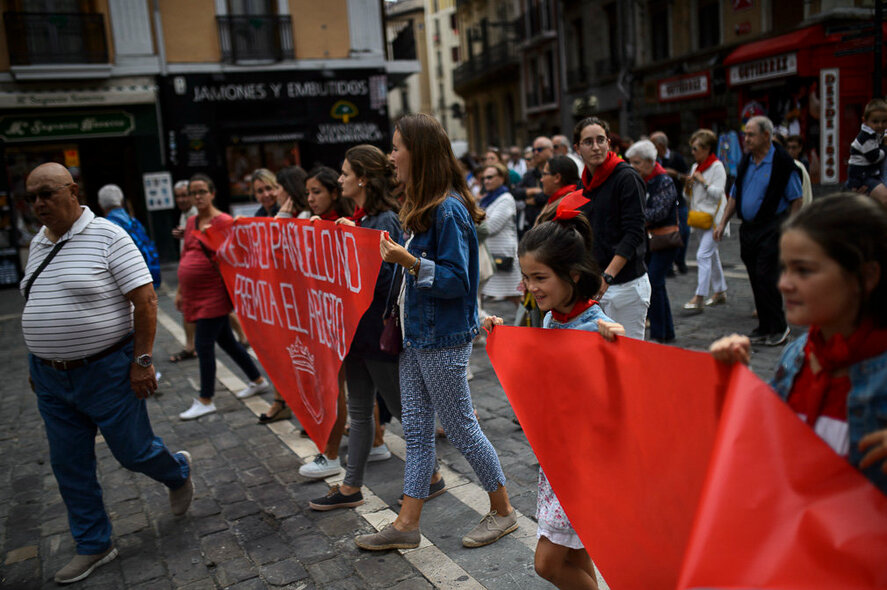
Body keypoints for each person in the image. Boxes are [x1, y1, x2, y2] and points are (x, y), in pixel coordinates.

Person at [21, 163, 193, 584]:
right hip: (50, 377)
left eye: (46, 193)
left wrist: (142, 362)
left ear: (72, 190)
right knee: (69, 463)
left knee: (133, 452)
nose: (38, 204)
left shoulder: (109, 236)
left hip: (107, 371)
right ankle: (94, 543)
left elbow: (147, 301)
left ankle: (177, 472)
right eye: (32, 197)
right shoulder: (37, 244)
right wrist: (39, 358)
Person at [355, 113, 517, 550]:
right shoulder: (425, 208)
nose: (391, 157)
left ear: (418, 153)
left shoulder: (448, 210)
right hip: (416, 339)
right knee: (419, 431)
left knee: (462, 428)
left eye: (396, 148)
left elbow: (457, 281)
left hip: (442, 340)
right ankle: (407, 525)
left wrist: (407, 262)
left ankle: (503, 511)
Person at [711, 194, 887, 496]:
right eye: (785, 268)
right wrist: (730, 383)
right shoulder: (797, 355)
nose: (784, 284)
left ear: (867, 276)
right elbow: (763, 443)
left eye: (804, 270)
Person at [485, 211, 624, 590]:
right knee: (576, 552)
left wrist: (617, 348)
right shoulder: (551, 319)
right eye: (527, 278)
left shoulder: (595, 327)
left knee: (547, 564)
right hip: (557, 459)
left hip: (585, 465)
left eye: (540, 278)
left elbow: (621, 393)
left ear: (573, 275)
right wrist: (503, 338)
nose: (531, 287)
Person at [309, 145, 447, 509]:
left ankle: (431, 475)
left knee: (400, 408)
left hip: (374, 332)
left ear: (363, 179)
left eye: (344, 174)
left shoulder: (384, 220)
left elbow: (389, 280)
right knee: (359, 411)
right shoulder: (360, 219)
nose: (340, 180)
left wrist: (352, 240)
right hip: (355, 333)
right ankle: (351, 486)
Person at [176, 174, 271, 420]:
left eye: (202, 192)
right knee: (227, 340)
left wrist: (212, 239)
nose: (198, 197)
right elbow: (185, 253)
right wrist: (180, 290)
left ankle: (206, 399)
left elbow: (233, 259)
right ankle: (257, 379)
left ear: (212, 193)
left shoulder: (224, 221)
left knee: (203, 344)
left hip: (214, 292)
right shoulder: (192, 221)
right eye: (193, 193)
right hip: (194, 292)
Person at [714, 116, 803, 347]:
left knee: (766, 275)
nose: (746, 139)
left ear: (766, 135)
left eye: (751, 134)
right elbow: (734, 194)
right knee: (755, 276)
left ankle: (779, 327)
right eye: (746, 134)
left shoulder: (782, 162)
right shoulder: (746, 160)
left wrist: (790, 229)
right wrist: (723, 222)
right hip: (749, 229)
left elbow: (797, 198)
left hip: (773, 226)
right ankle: (765, 326)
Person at [572, 117, 650, 340]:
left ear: (608, 143)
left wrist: (607, 276)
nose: (596, 147)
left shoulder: (626, 177)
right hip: (595, 284)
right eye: (588, 142)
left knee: (628, 358)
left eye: (600, 140)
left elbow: (634, 233)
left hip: (625, 284)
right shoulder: (584, 183)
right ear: (578, 148)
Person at [626, 140, 679, 343]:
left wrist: (635, 215)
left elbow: (659, 212)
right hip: (650, 240)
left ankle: (658, 333)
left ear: (649, 161)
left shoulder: (662, 180)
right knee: (658, 285)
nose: (633, 167)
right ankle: (666, 332)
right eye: (631, 162)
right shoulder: (643, 179)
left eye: (637, 162)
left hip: (664, 240)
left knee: (655, 283)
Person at [682, 129, 728, 312]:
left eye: (695, 148)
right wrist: (688, 187)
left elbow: (718, 193)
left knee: (703, 255)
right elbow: (688, 198)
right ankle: (720, 292)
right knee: (712, 256)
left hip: (715, 220)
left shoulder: (717, 167)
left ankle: (699, 296)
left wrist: (703, 182)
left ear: (707, 148)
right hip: (700, 218)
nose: (693, 152)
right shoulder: (695, 167)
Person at [97, 184, 161, 288]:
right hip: (148, 276)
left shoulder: (106, 227)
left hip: (131, 282)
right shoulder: (134, 222)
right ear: (122, 201)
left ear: (100, 205)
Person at [479, 162, 522, 310]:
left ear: (502, 178)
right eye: (484, 178)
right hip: (492, 253)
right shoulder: (487, 198)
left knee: (515, 296)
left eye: (490, 177)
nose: (486, 181)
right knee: (493, 296)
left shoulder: (506, 198)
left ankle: (525, 325)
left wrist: (481, 220)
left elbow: (490, 227)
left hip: (504, 253)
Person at [651, 131, 690, 275]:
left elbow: (687, 178)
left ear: (660, 145)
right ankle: (668, 266)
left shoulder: (676, 158)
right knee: (665, 233)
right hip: (662, 203)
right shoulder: (654, 160)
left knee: (683, 232)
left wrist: (675, 174)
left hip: (678, 201)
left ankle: (680, 261)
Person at [170, 179, 198, 362]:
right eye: (178, 196)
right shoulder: (184, 214)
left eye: (184, 195)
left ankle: (191, 347)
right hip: (188, 267)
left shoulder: (195, 214)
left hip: (196, 269)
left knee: (189, 307)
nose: (181, 199)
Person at [847, 98, 887, 206]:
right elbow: (874, 156)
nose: (880, 125)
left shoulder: (875, 134)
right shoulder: (866, 137)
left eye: (884, 122)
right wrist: (884, 148)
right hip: (862, 175)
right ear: (865, 121)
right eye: (875, 121)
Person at [513, 136, 553, 232]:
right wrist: (533, 190)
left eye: (539, 149)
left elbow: (555, 194)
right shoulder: (530, 174)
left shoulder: (557, 169)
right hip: (532, 225)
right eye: (534, 150)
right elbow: (515, 192)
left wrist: (534, 199)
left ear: (550, 150)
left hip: (552, 224)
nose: (535, 153)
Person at [538, 155, 580, 223]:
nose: (541, 180)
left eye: (544, 174)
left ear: (557, 178)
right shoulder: (558, 200)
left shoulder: (565, 209)